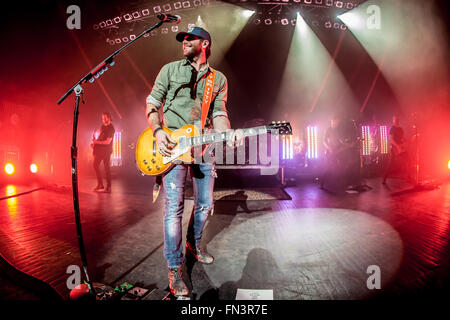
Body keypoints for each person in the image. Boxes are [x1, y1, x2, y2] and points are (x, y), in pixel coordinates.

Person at [145, 26, 242, 297]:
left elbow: (220, 112)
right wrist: (158, 130)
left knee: (204, 205)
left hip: (203, 146)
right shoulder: (169, 70)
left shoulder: (218, 79)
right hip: (173, 147)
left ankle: (193, 244)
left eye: (190, 38)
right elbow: (153, 103)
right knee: (173, 209)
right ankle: (174, 267)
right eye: (183, 39)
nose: (184, 42)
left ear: (205, 44)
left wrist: (227, 133)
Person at [382, 114, 413, 184]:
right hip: (394, 149)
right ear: (393, 120)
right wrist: (397, 146)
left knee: (408, 161)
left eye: (397, 119)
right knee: (391, 165)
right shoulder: (392, 129)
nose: (396, 120)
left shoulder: (401, 129)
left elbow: (403, 138)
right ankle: (384, 178)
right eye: (394, 119)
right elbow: (391, 139)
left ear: (398, 120)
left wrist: (409, 141)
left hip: (401, 148)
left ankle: (408, 177)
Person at [91, 112, 115, 193]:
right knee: (95, 165)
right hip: (100, 150)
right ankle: (100, 184)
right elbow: (100, 138)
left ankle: (108, 187)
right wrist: (94, 144)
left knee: (106, 168)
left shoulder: (111, 128)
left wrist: (96, 143)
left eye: (105, 118)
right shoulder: (102, 127)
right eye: (102, 118)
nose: (103, 120)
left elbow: (107, 142)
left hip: (106, 151)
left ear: (109, 118)